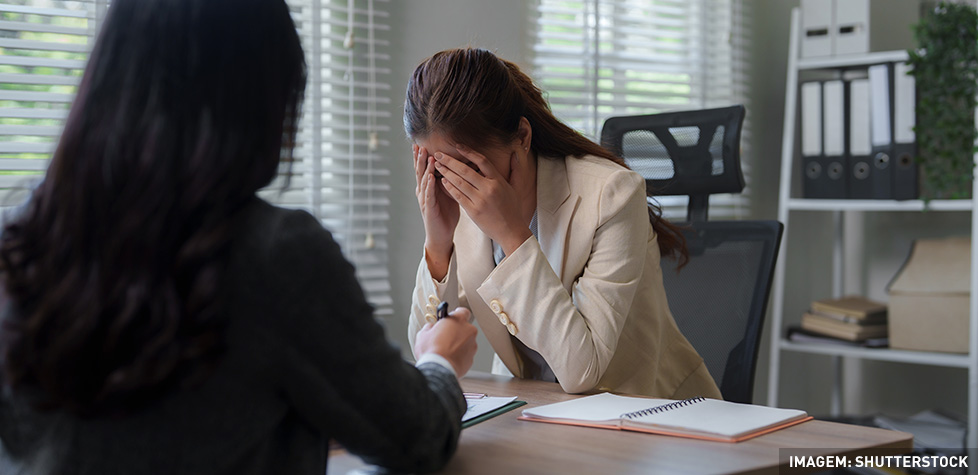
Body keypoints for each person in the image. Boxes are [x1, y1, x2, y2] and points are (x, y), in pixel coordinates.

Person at [0, 1, 477, 474]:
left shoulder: (18, 241)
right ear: (266, 101)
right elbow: (415, 438)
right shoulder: (275, 254)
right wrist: (440, 360)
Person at [404, 48, 722, 400]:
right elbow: (428, 350)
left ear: (522, 138)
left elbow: (581, 371)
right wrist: (438, 243)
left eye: (470, 170)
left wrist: (512, 236)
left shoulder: (611, 195)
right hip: (535, 411)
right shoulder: (456, 208)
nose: (457, 186)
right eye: (440, 170)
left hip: (647, 413)